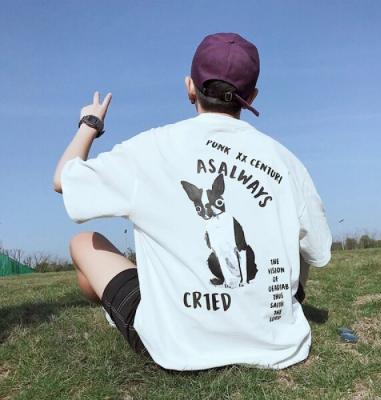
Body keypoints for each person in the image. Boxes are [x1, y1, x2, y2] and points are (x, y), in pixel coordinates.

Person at [53, 32, 332, 370]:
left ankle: (122, 309)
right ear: (251, 97)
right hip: (276, 345)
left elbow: (63, 180)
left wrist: (90, 123)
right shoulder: (286, 161)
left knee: (83, 243)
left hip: (176, 348)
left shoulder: (152, 148)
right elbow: (315, 250)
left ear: (189, 87)